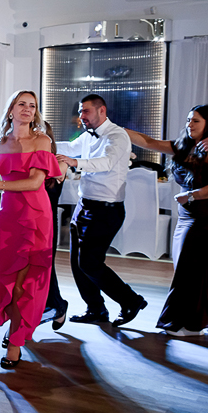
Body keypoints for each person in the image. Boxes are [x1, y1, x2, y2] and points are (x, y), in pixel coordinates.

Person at [0, 90, 61, 368]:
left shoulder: (42, 140)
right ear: (11, 110)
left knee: (24, 282)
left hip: (35, 216)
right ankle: (15, 326)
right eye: (22, 104)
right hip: (8, 217)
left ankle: (16, 342)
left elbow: (34, 182)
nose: (27, 109)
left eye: (32, 106)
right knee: (2, 277)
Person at [125, 106, 208, 335]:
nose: (189, 125)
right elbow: (148, 142)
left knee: (189, 272)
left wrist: (191, 195)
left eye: (196, 121)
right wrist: (114, 128)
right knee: (196, 271)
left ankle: (183, 323)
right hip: (188, 218)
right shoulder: (183, 145)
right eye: (188, 120)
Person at [56, 94, 147, 327]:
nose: (81, 116)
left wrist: (75, 162)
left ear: (101, 110)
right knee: (77, 263)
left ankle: (131, 300)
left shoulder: (117, 136)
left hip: (106, 210)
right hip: (84, 205)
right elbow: (70, 147)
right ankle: (95, 309)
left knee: (89, 263)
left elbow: (106, 162)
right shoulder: (88, 135)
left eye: (85, 111)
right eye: (80, 111)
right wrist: (43, 143)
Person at [39, 121, 69, 330]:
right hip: (26, 221)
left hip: (47, 223)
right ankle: (54, 306)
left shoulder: (59, 163)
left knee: (45, 268)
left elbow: (54, 174)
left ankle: (56, 305)